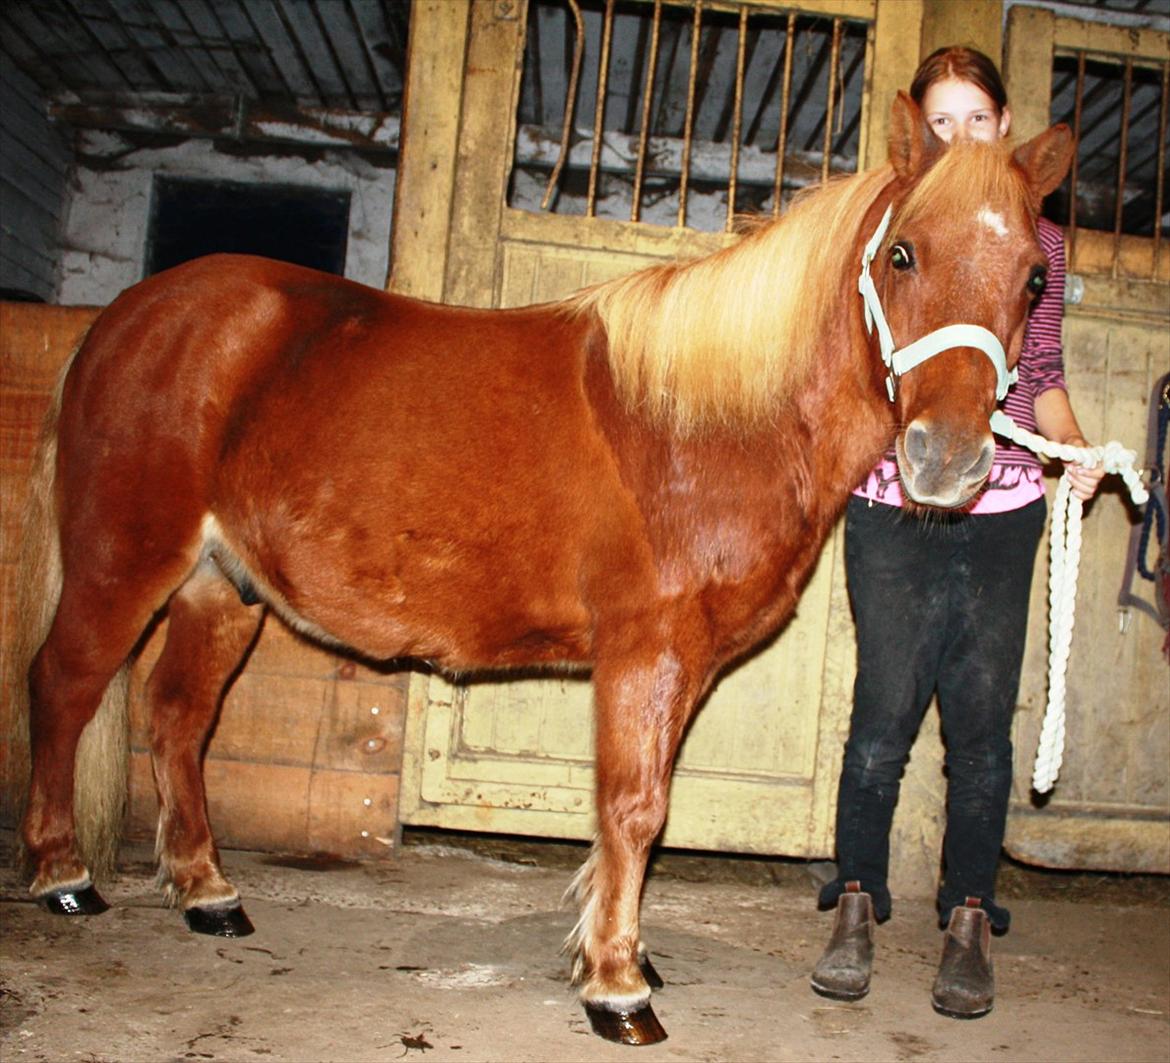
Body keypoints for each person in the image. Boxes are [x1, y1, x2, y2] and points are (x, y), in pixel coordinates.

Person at [810, 46, 1106, 1020]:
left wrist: (1077, 451)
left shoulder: (1043, 243)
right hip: (895, 499)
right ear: (917, 136)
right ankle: (856, 901)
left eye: (977, 119)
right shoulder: (894, 226)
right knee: (881, 720)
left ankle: (970, 916)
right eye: (940, 123)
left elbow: (1046, 368)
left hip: (1006, 503)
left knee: (983, 733)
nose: (960, 138)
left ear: (1008, 126)